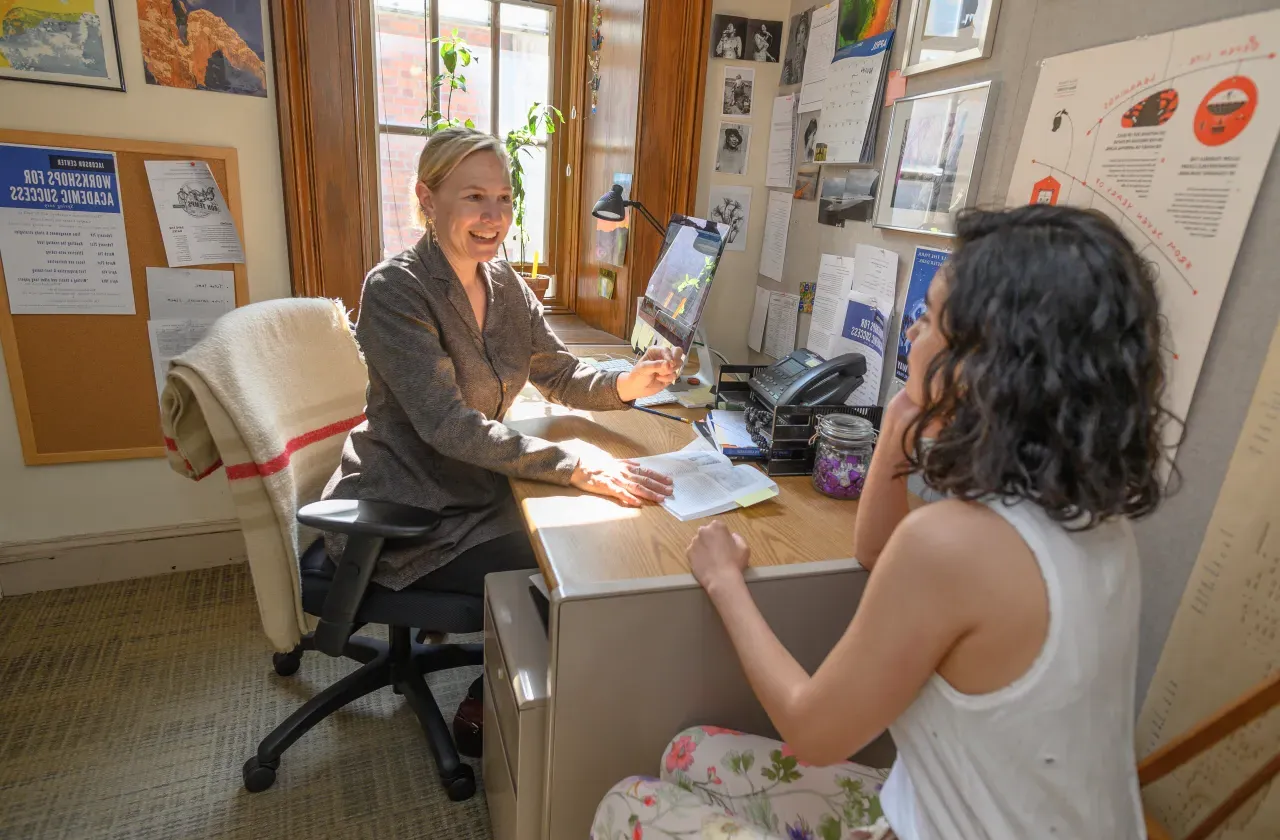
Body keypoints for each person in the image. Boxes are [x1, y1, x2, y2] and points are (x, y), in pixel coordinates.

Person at [591, 205, 1174, 840]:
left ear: (988, 366)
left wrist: (724, 579)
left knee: (625, 804)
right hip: (977, 815)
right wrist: (903, 411)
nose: (912, 331)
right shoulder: (1090, 513)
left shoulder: (953, 543)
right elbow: (874, 551)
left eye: (929, 318)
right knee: (687, 751)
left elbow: (812, 732)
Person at [322, 127, 682, 755]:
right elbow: (447, 424)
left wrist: (630, 382)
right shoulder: (396, 290)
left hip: (474, 487)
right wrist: (574, 467)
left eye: (504, 199)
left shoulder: (507, 286)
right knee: (572, 562)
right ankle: (494, 701)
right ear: (427, 201)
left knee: (590, 537)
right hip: (406, 509)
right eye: (473, 198)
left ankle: (516, 677)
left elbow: (562, 371)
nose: (493, 218)